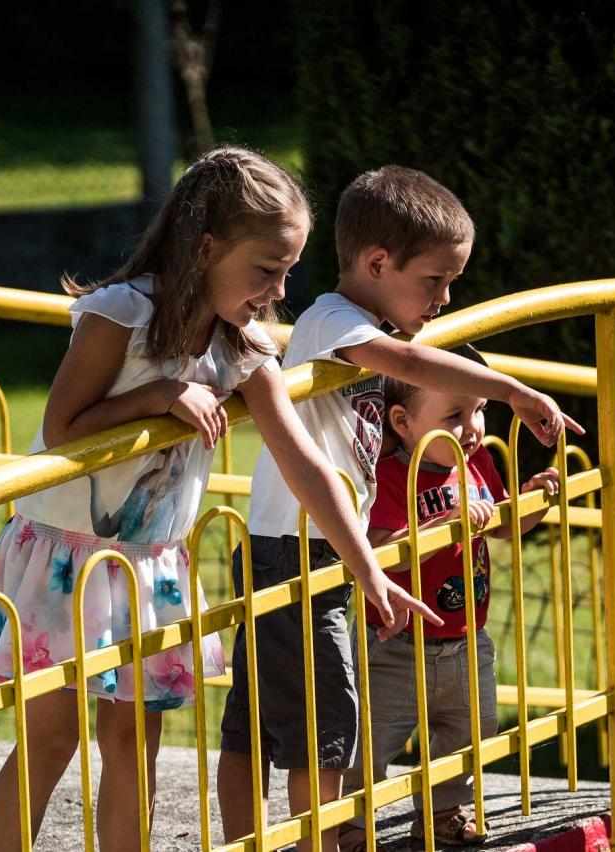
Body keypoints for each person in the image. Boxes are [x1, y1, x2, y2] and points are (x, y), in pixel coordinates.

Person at [0, 147, 438, 851]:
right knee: (50, 739)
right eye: (265, 270)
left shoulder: (243, 349)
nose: (276, 292)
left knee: (134, 746)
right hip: (67, 558)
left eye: (287, 273)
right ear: (206, 247)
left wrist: (367, 569)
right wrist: (160, 396)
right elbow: (61, 428)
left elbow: (305, 465)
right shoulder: (122, 315)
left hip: (147, 566)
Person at [217, 165, 582, 851]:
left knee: (260, 720)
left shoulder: (353, 323)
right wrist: (513, 391)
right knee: (321, 729)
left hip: (302, 543)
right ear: (377, 262)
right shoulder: (334, 320)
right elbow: (409, 364)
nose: (444, 299)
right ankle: (315, 843)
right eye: (436, 281)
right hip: (299, 549)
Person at [339, 345, 560, 849]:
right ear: (403, 421)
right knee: (371, 741)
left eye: (480, 410)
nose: (474, 427)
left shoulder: (477, 461)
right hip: (393, 645)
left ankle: (442, 811)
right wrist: (437, 526)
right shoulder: (392, 476)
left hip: (467, 639)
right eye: (455, 415)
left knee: (470, 732)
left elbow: (506, 526)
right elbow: (376, 553)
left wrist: (533, 498)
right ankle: (350, 820)